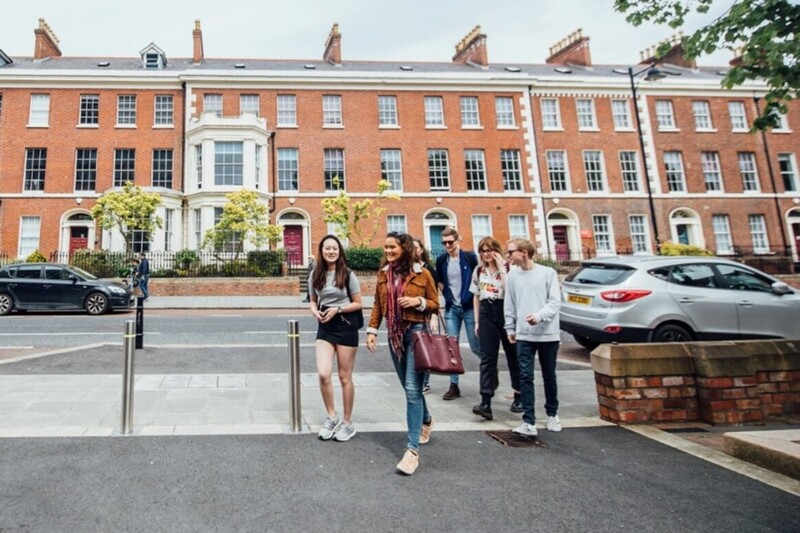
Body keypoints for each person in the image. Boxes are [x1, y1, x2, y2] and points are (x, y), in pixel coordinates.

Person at [367, 232, 439, 475]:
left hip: (416, 332)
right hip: (394, 336)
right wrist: (372, 330)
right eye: (386, 247)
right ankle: (426, 419)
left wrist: (418, 302)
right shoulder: (383, 274)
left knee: (411, 390)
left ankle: (412, 450)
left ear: (405, 249)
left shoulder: (422, 273)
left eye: (392, 247)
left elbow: (435, 303)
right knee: (411, 389)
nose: (388, 251)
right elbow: (378, 304)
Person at [503, 238, 562, 437]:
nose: (508, 255)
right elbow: (509, 304)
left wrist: (538, 316)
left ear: (524, 252)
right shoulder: (512, 276)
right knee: (525, 376)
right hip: (523, 335)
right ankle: (529, 420)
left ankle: (552, 414)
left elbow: (554, 303)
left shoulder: (548, 273)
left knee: (549, 375)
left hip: (548, 333)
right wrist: (510, 327)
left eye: (511, 252)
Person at [310, 236, 362, 442]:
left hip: (346, 325)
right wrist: (315, 311)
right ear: (321, 251)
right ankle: (332, 417)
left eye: (334, 248)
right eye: (327, 248)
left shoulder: (348, 274)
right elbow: (313, 300)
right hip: (325, 325)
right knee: (323, 374)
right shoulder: (315, 273)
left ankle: (348, 423)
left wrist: (337, 309)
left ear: (339, 251)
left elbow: (358, 303)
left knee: (344, 376)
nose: (331, 251)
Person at [470, 236, 522, 420]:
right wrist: (477, 322)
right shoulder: (478, 271)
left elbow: (511, 291)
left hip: (505, 311)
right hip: (486, 312)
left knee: (513, 356)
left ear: (496, 250)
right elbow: (476, 296)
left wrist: (502, 269)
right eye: (483, 250)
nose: (486, 254)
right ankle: (485, 401)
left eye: (489, 250)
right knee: (487, 358)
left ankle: (519, 395)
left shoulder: (509, 269)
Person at [434, 227, 479, 400]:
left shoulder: (470, 257)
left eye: (450, 242)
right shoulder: (441, 260)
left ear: (457, 239)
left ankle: (489, 373)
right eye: (444, 243)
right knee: (451, 347)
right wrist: (447, 296)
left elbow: (479, 279)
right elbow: (440, 281)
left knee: (476, 346)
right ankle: (454, 385)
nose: (447, 245)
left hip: (468, 308)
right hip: (452, 308)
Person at [412, 238, 437, 396]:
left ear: (421, 250)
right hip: (414, 317)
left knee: (425, 350)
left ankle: (425, 383)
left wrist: (434, 316)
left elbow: (434, 296)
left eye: (416, 247)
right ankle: (419, 381)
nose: (413, 250)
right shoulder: (406, 269)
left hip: (427, 315)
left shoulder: (428, 270)